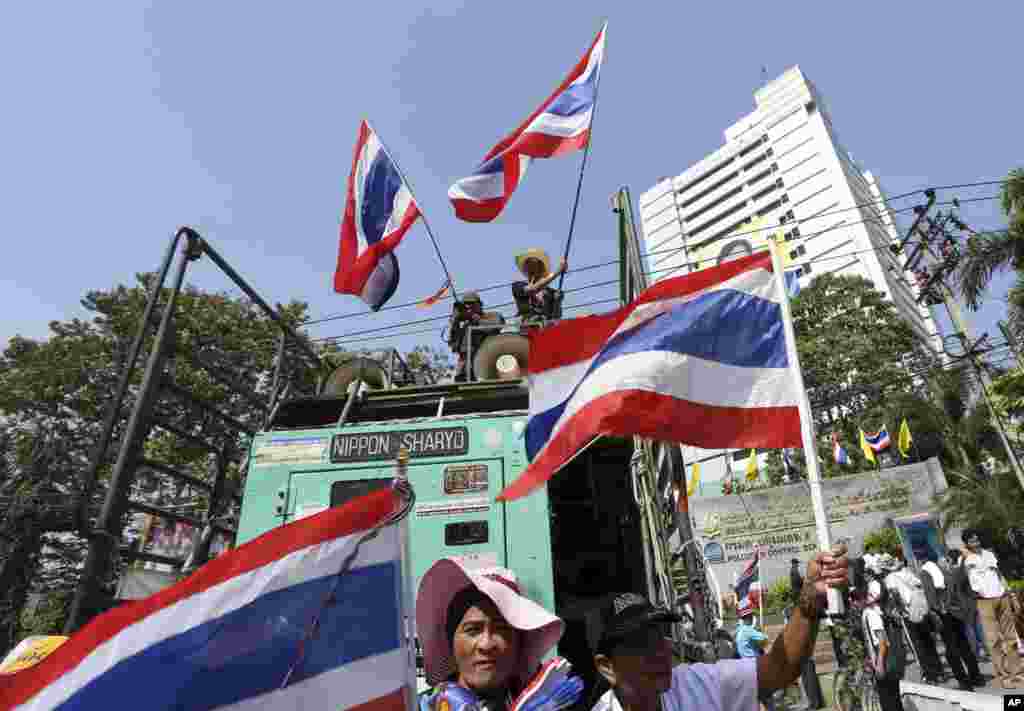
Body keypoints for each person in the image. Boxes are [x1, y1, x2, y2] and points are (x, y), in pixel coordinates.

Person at [587, 546, 849, 711]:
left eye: (660, 638)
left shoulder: (694, 683)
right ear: (607, 667)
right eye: (640, 645)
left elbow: (780, 669)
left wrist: (810, 599)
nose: (659, 652)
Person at [416, 558, 584, 711]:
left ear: (519, 641)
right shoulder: (416, 706)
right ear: (450, 642)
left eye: (501, 630)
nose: (486, 644)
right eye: (473, 630)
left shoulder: (548, 702)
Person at [962, 529, 1024, 689]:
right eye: (971, 539)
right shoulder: (969, 559)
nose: (975, 540)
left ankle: (1017, 673)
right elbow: (972, 582)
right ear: (967, 543)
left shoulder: (989, 555)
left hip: (1001, 597)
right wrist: (982, 593)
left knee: (1011, 636)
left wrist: (1008, 592)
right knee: (994, 641)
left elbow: (999, 574)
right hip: (985, 602)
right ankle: (1003, 677)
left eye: (976, 538)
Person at [920, 551, 983, 690]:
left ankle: (964, 681)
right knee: (963, 644)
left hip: (942, 614)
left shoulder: (925, 573)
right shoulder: (945, 571)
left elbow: (931, 598)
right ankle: (976, 677)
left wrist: (936, 612)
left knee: (951, 649)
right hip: (955, 612)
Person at [882, 551, 945, 684]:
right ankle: (939, 671)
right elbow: (919, 585)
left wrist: (900, 610)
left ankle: (929, 675)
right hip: (922, 609)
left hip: (909, 612)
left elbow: (895, 595)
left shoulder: (890, 578)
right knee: (928, 641)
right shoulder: (908, 572)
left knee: (917, 644)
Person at [862, 556, 904, 711]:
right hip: (884, 658)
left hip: (884, 660)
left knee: (889, 699)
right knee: (891, 698)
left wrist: (879, 663)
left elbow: (882, 641)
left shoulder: (872, 613)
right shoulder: (871, 611)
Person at [447, 292, 504, 382]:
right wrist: (455, 321)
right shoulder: (464, 325)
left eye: (471, 303)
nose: (468, 306)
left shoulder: (491, 316)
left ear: (480, 304)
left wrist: (476, 320)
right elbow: (453, 345)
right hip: (465, 369)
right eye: (465, 304)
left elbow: (497, 325)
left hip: (485, 364)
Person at [512, 249, 567, 325]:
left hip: (545, 328)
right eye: (529, 266)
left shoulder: (551, 292)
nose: (532, 269)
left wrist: (557, 302)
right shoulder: (518, 285)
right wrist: (557, 272)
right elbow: (533, 290)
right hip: (527, 327)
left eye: (535, 266)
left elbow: (556, 318)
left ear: (542, 269)